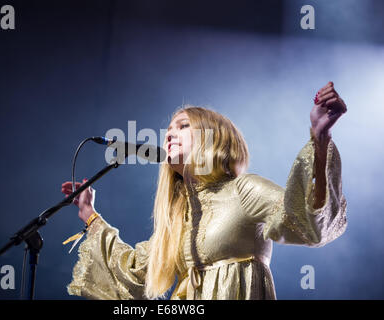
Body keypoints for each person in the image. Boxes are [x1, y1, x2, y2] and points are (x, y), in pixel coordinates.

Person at [61, 81, 348, 300]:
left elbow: (310, 223)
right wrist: (89, 213)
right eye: (169, 129)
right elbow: (133, 271)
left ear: (214, 138)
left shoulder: (244, 190)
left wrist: (320, 138)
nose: (170, 134)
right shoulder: (178, 217)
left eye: (183, 126)